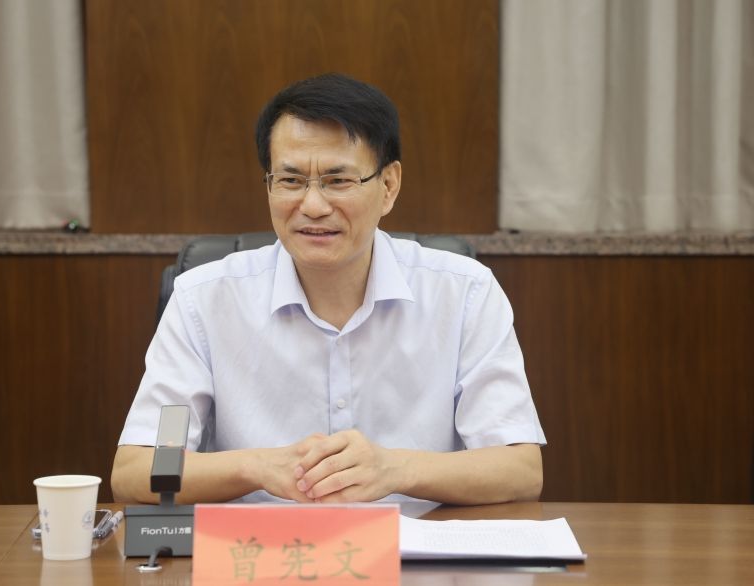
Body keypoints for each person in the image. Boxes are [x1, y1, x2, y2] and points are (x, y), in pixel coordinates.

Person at [111, 73, 545, 505]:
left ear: (389, 186)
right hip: (260, 547)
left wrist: (396, 470)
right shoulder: (203, 301)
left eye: (338, 181)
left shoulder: (464, 293)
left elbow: (520, 470)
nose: (314, 206)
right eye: (291, 181)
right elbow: (135, 472)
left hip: (414, 545)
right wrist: (257, 466)